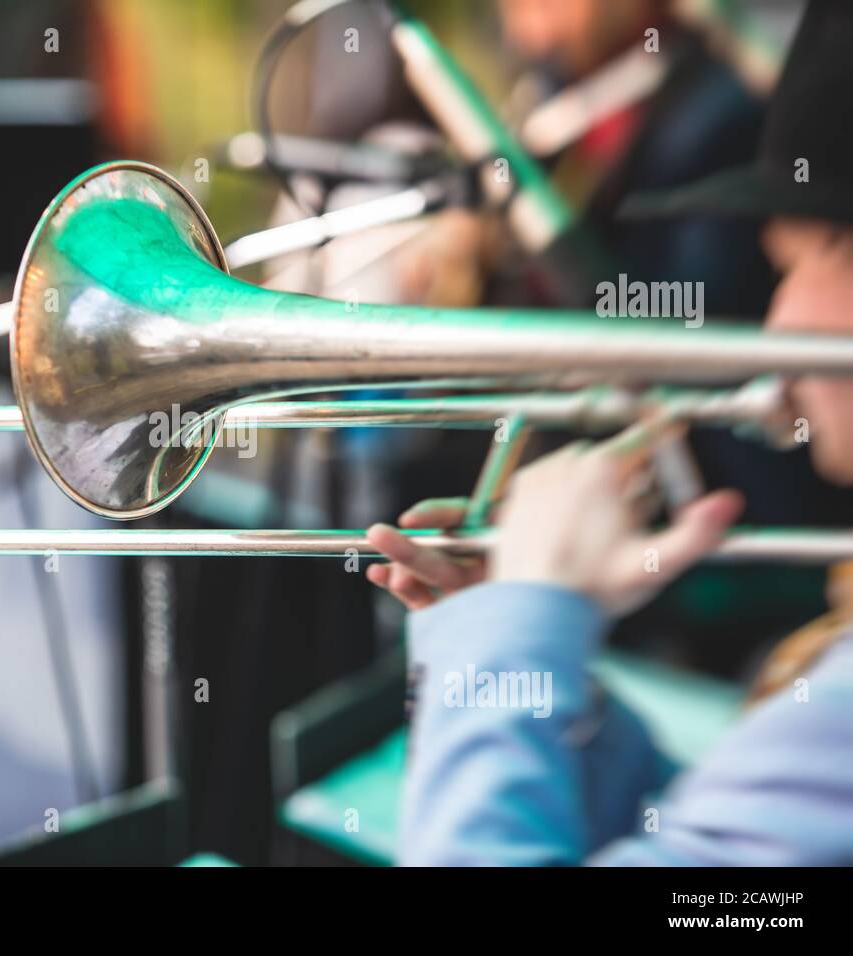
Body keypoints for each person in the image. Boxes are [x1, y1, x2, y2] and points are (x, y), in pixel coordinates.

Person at [365, 0, 853, 865]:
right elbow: (718, 856)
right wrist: (531, 673)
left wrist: (516, 628)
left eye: (793, 264)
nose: (774, 317)